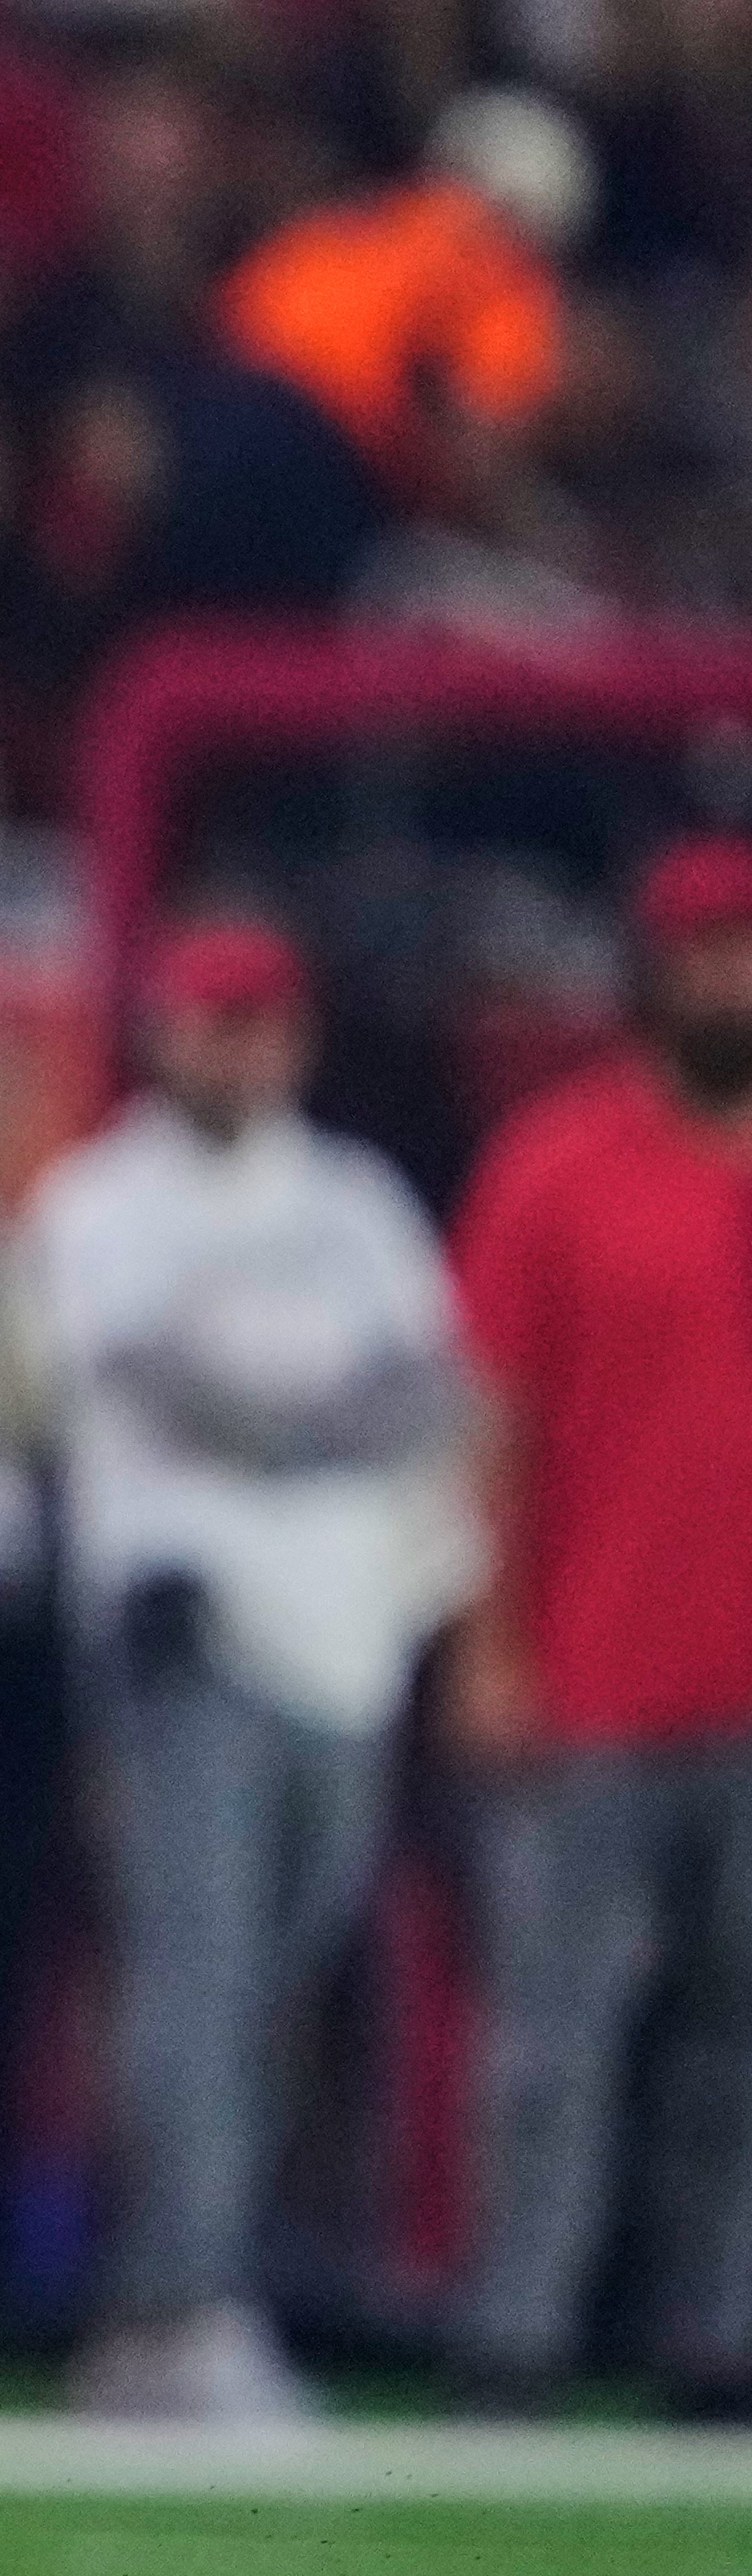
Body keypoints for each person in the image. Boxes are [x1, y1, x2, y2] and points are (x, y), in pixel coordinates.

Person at [19, 915, 470, 2422]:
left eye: (264, 1022)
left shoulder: (356, 1201)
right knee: (192, 1983)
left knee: (283, 1981)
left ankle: (208, 2281)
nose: (241, 1048)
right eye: (215, 1021)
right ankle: (176, 2304)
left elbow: (430, 1394)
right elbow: (148, 1380)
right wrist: (313, 1424)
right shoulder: (102, 1199)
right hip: (188, 1623)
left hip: (345, 1635)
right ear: (165, 1032)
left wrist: (279, 1426)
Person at [447, 834, 752, 2417]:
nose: (732, 978)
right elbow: (493, 1418)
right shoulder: (558, 1162)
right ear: (656, 968)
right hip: (599, 1660)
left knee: (737, 2037)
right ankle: (519, 2327)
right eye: (708, 949)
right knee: (556, 2029)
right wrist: (494, 1637)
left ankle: (719, 2332)